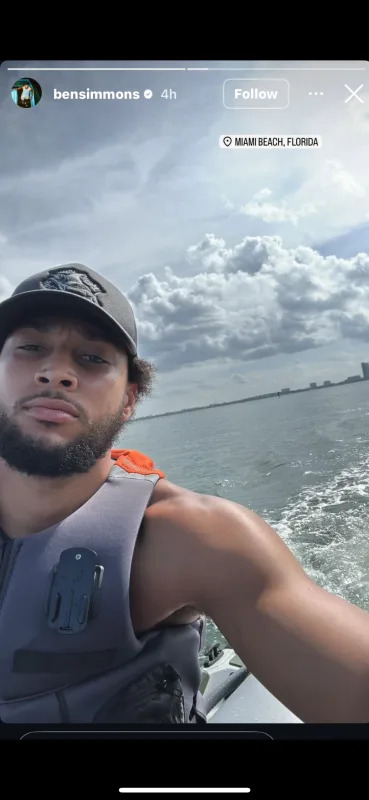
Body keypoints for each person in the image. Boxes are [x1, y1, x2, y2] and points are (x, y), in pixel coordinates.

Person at [0, 263, 369, 725]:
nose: (56, 372)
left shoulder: (197, 540)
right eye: (31, 348)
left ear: (129, 399)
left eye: (92, 358)